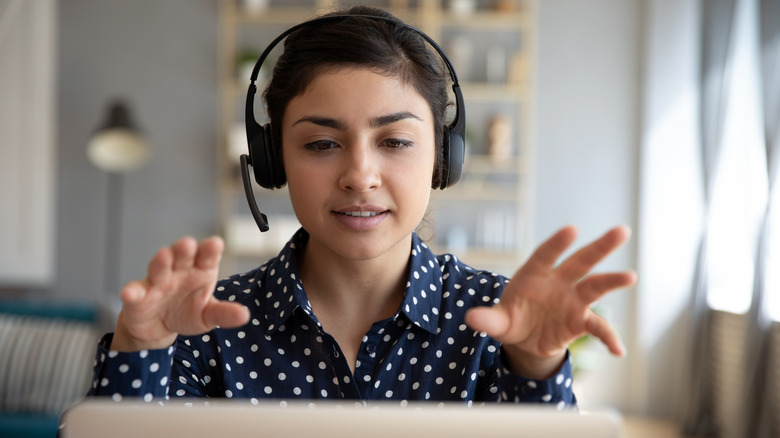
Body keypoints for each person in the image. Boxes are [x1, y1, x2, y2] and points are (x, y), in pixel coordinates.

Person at [87, 5, 636, 408]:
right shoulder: (203, 326)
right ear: (274, 160)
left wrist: (535, 367)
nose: (359, 176)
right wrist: (140, 350)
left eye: (395, 141)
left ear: (444, 158)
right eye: (321, 144)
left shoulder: (499, 322)